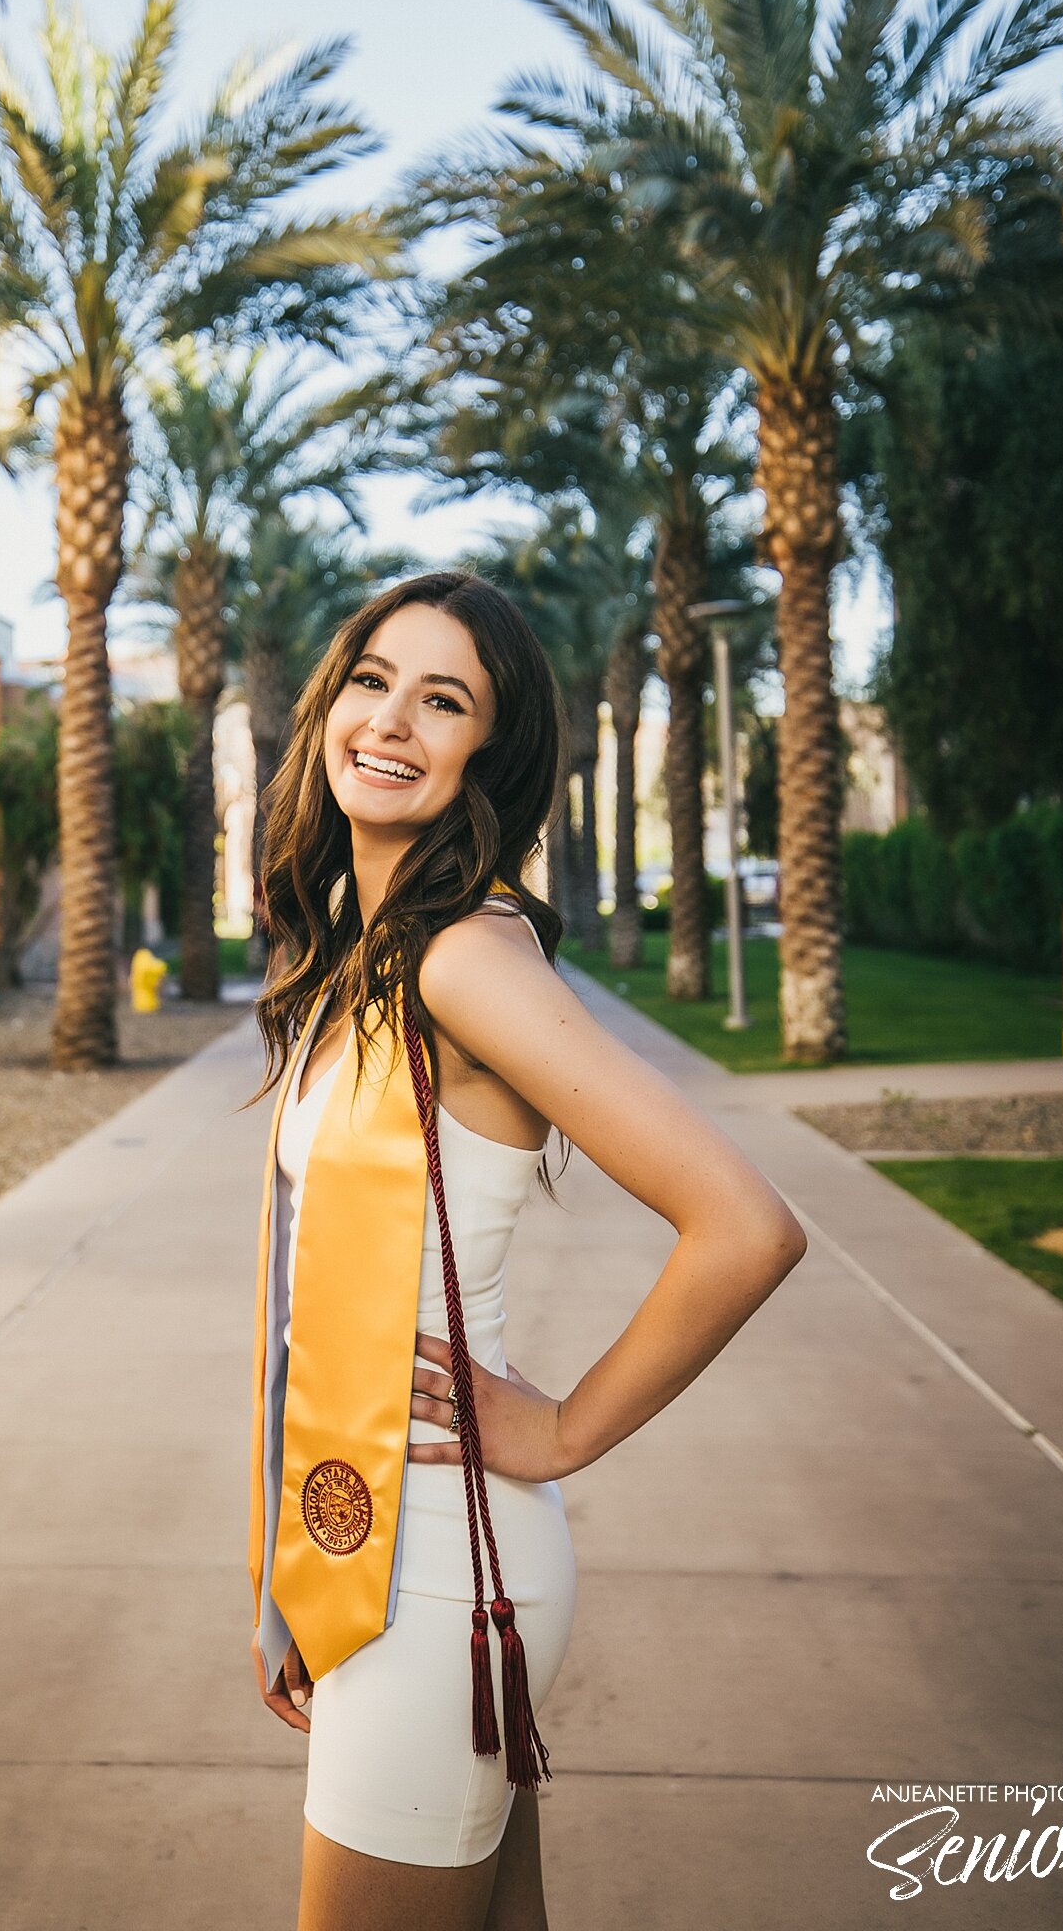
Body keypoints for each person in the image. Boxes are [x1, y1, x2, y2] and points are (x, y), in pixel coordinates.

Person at [246, 571, 807, 1931]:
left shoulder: (461, 959)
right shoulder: (368, 953)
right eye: (374, 679)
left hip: (436, 1572)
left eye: (444, 700)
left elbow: (745, 1226)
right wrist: (287, 1578)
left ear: (491, 754)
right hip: (381, 1555)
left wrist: (560, 1431)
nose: (391, 720)